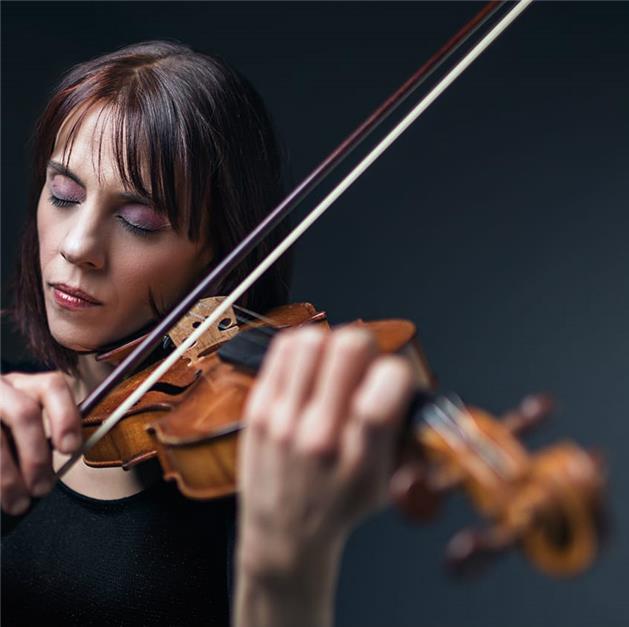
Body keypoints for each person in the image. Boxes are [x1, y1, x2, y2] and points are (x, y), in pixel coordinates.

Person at [0, 41, 414, 627]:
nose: (77, 246)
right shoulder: (6, 414)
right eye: (64, 195)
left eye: (138, 221)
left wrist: (284, 573)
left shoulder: (254, 472)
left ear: (217, 253)